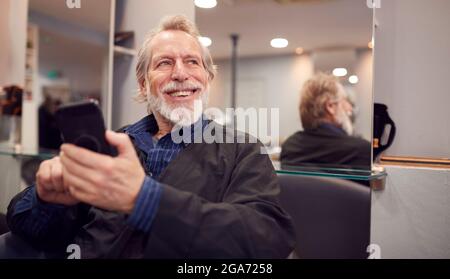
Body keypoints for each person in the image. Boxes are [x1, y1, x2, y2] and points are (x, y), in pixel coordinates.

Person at [5, 15, 295, 259]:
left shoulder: (242, 150)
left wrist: (146, 200)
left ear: (207, 79)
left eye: (192, 62)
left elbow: (267, 239)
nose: (180, 74)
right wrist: (47, 199)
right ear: (144, 85)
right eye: (164, 63)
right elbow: (28, 226)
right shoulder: (112, 145)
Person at [280, 73, 371, 169]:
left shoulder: (290, 147)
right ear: (330, 106)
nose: (350, 108)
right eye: (345, 100)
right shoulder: (362, 150)